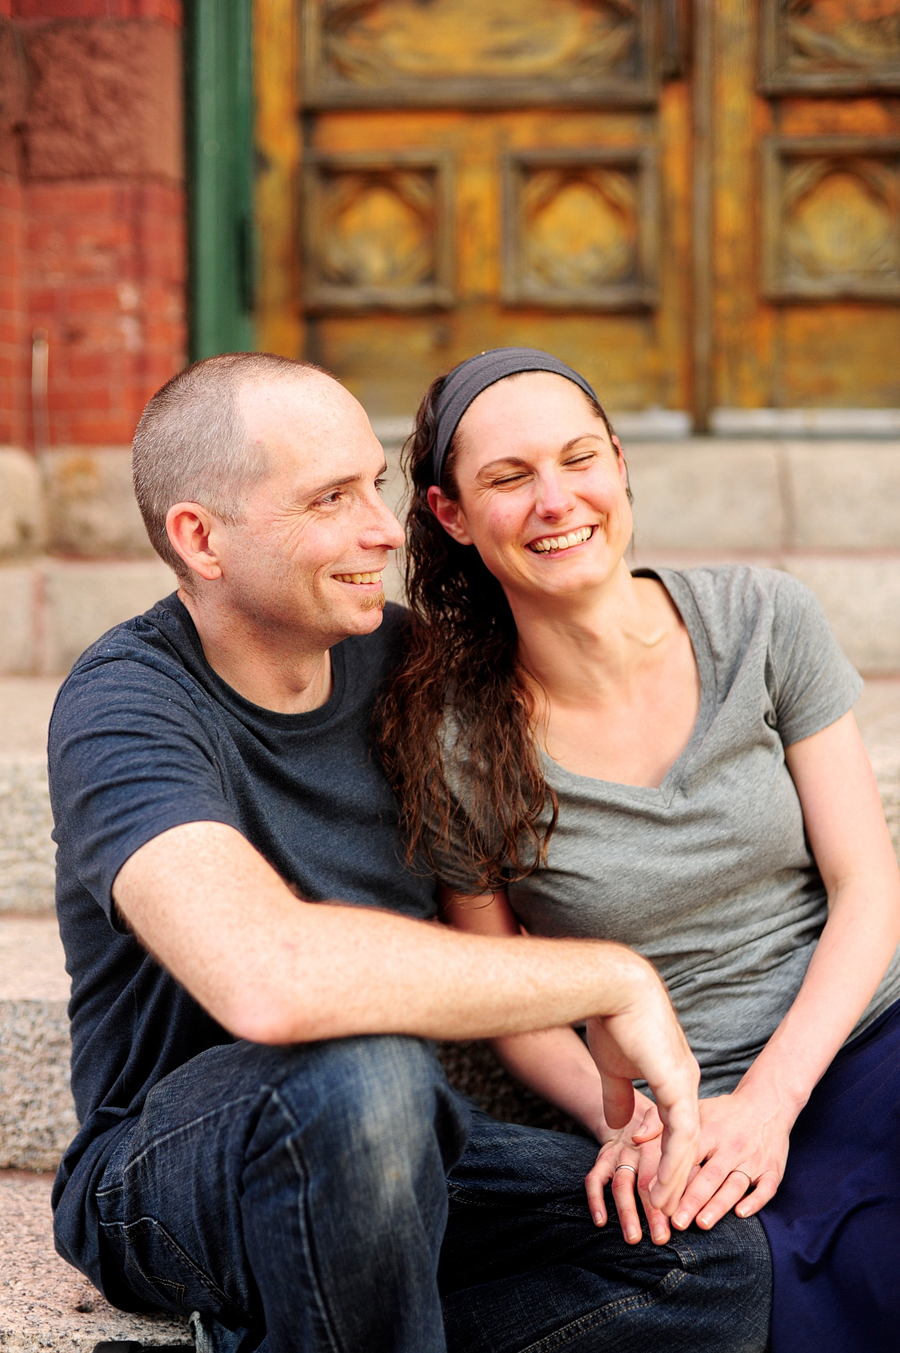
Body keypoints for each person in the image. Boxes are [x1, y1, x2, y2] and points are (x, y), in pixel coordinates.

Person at [47, 351, 771, 1353]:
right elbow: (268, 977)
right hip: (170, 1170)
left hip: (405, 1142)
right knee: (364, 1070)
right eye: (329, 498)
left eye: (375, 487)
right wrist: (608, 978)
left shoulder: (407, 665)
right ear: (200, 538)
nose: (384, 531)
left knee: (704, 1253)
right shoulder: (125, 704)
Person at [378, 346, 900, 1353]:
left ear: (620, 465)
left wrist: (771, 1103)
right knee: (757, 1294)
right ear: (451, 514)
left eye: (579, 459)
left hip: (862, 1039)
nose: (555, 500)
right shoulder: (452, 737)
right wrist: (632, 1123)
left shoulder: (762, 619)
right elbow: (509, 1001)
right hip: (676, 1108)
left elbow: (868, 884)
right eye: (508, 477)